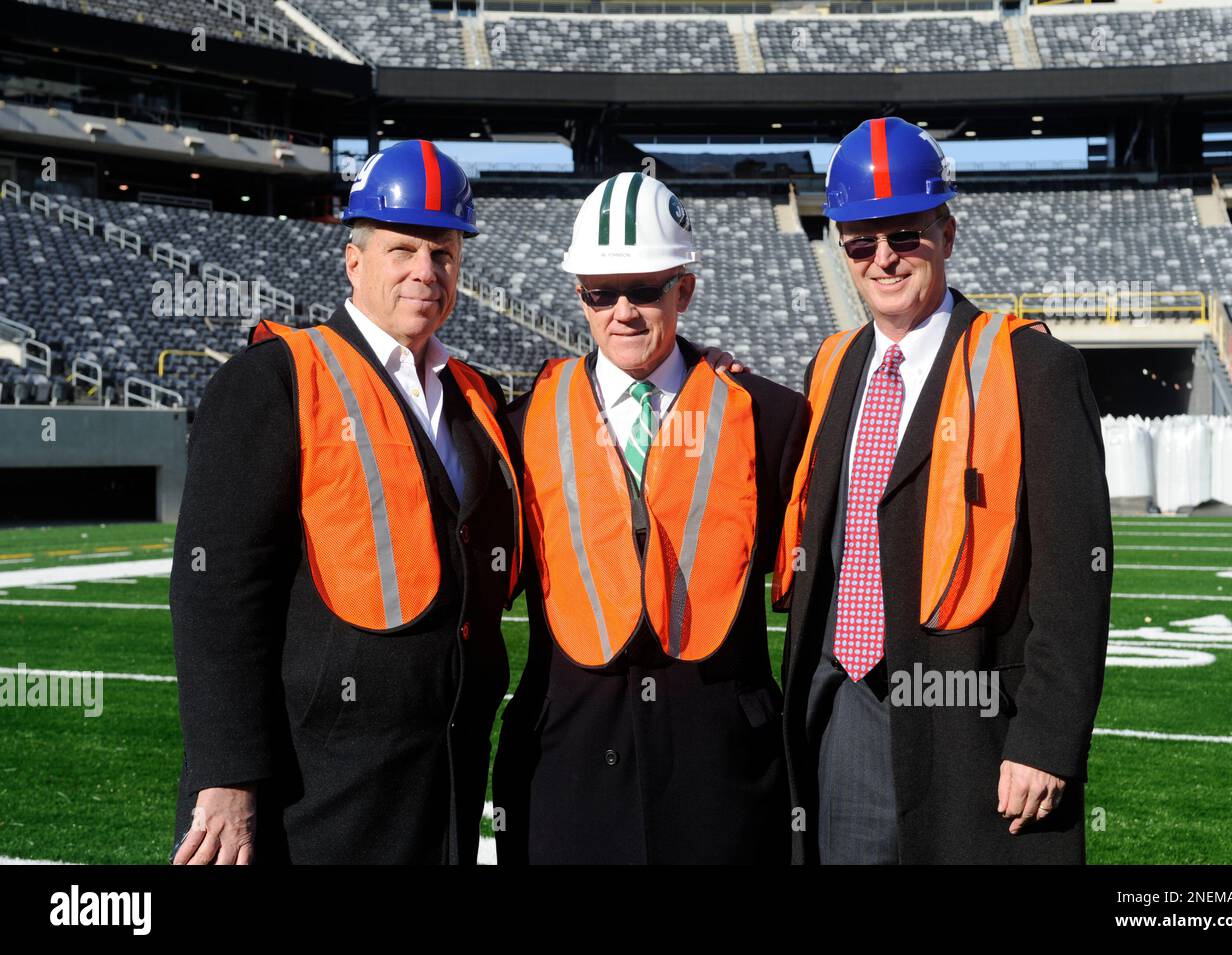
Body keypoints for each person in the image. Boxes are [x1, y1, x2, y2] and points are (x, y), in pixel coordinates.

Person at [169, 140, 522, 864]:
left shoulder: (475, 394)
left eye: (444, 253)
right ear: (353, 261)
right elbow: (216, 590)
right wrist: (228, 774)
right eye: (403, 250)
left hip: (444, 778)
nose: (426, 271)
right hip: (315, 792)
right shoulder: (274, 378)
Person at [774, 117, 1112, 864]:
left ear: (947, 233)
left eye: (905, 235)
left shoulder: (1033, 368)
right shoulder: (832, 366)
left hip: (976, 727)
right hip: (845, 714)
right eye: (862, 241)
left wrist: (1048, 739)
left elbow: (1074, 575)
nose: (884, 258)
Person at [492, 173, 809, 864]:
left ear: (684, 291)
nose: (623, 311)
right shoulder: (518, 424)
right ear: (580, 297)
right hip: (567, 772)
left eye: (645, 289)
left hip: (724, 778)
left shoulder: (772, 416)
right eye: (602, 293)